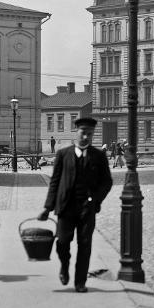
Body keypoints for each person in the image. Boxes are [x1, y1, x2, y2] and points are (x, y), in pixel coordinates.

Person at [39, 117, 113, 293]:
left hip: (87, 209)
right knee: (62, 243)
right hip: (65, 207)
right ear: (76, 133)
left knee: (85, 244)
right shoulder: (63, 155)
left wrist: (95, 200)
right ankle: (64, 266)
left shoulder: (99, 156)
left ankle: (80, 282)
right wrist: (47, 207)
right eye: (83, 133)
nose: (86, 137)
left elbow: (107, 182)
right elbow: (55, 182)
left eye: (90, 133)